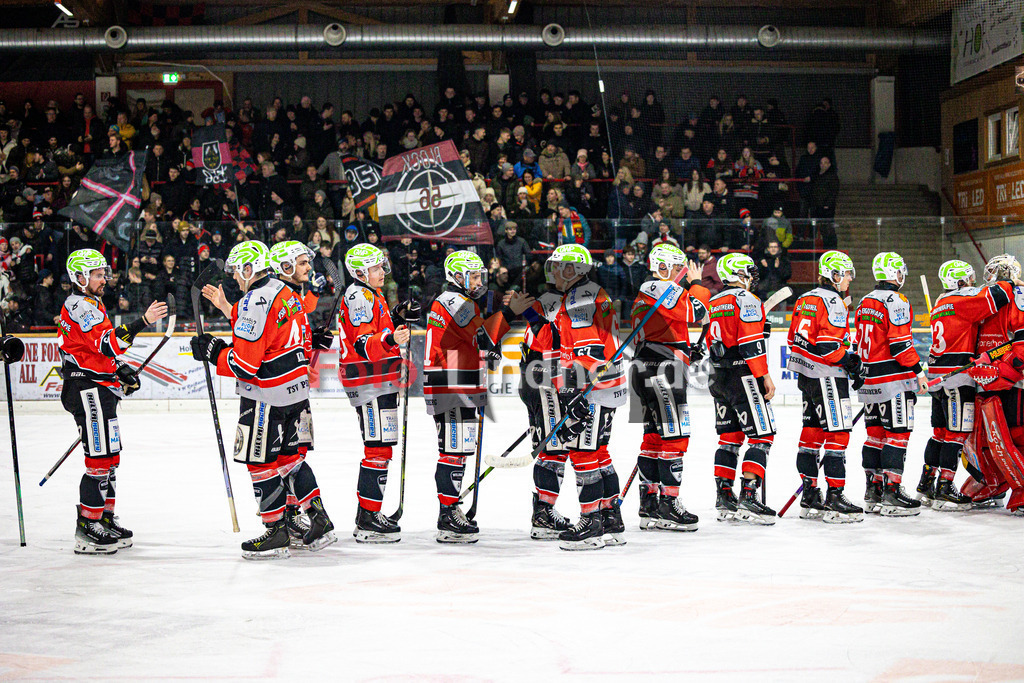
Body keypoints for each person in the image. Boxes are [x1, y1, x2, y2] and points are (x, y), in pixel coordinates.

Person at [191, 241, 336, 559]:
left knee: (260, 462)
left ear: (248, 269)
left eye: (237, 272)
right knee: (290, 460)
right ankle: (317, 517)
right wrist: (228, 310)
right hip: (296, 392)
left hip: (265, 396)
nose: (235, 278)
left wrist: (214, 353)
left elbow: (246, 365)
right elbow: (268, 332)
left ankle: (276, 531)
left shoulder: (252, 300)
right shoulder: (286, 293)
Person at [58, 249, 168, 554]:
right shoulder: (80, 306)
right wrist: (143, 321)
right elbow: (108, 343)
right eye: (97, 275)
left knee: (110, 457)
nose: (103, 279)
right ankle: (87, 525)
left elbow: (99, 351)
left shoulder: (92, 303)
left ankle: (104, 517)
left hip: (99, 387)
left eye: (103, 273)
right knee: (99, 459)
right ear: (80, 278)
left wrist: (118, 370)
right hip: (86, 389)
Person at [424, 251, 534, 542]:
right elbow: (483, 335)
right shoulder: (453, 301)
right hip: (450, 382)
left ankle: (452, 509)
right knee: (453, 451)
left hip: (458, 380)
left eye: (479, 276)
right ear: (457, 276)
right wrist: (508, 313)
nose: (478, 282)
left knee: (459, 450)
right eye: (473, 276)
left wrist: (485, 353)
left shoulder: (460, 301)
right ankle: (448, 514)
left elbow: (472, 340)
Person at [532, 245, 627, 550]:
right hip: (607, 384)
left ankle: (591, 523)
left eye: (559, 266)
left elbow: (589, 351)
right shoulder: (586, 293)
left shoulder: (580, 298)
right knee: (599, 452)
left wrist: (574, 391)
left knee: (584, 453)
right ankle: (610, 519)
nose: (554, 271)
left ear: (573, 269)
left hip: (593, 386)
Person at [333, 243, 412, 542]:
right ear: (360, 272)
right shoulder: (359, 296)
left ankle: (369, 513)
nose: (382, 272)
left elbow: (376, 329)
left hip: (378, 380)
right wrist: (392, 338)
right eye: (376, 268)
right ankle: (367, 518)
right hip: (368, 379)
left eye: (381, 266)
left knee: (382, 447)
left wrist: (397, 318)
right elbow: (363, 344)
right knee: (377, 448)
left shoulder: (371, 294)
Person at [919, 259, 1013, 510]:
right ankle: (945, 487)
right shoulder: (962, 301)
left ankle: (926, 483)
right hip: (957, 376)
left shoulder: (941, 302)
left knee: (939, 433)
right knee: (957, 433)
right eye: (970, 278)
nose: (973, 282)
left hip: (937, 374)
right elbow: (999, 294)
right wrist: (1012, 280)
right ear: (961, 280)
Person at [629, 244, 710, 531]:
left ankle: (649, 504)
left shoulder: (647, 291)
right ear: (662, 267)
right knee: (675, 436)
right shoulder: (660, 287)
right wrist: (697, 284)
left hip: (648, 367)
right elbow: (696, 311)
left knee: (654, 438)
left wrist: (686, 349)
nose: (680, 274)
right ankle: (668, 505)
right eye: (677, 268)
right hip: (664, 371)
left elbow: (667, 326)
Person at [786, 251, 866, 523]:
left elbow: (793, 339)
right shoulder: (834, 301)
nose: (849, 279)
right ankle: (835, 497)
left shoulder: (804, 298)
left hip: (806, 377)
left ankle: (810, 495)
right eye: (846, 274)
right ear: (834, 275)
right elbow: (828, 347)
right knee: (838, 434)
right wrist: (852, 363)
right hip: (827, 376)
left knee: (811, 433)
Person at [266, 241, 334, 545]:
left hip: (291, 389)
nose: (309, 267)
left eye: (308, 262)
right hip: (290, 387)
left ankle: (295, 514)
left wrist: (312, 340)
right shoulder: (280, 296)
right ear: (285, 266)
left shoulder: (290, 295)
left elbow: (297, 326)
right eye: (303, 262)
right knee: (289, 456)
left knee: (292, 454)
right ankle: (295, 514)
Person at [853, 252, 927, 516]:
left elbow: (858, 342)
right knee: (898, 435)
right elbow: (900, 345)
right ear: (894, 272)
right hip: (893, 379)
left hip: (868, 379)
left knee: (874, 436)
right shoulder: (897, 300)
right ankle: (892, 492)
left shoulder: (865, 300)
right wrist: (918, 372)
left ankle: (873, 490)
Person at [706, 252, 778, 524]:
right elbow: (750, 344)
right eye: (748, 270)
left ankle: (724, 497)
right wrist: (764, 375)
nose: (751, 276)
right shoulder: (747, 299)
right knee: (762, 436)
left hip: (718, 375)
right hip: (743, 375)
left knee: (729, 437)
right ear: (737, 273)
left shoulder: (714, 301)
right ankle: (749, 495)